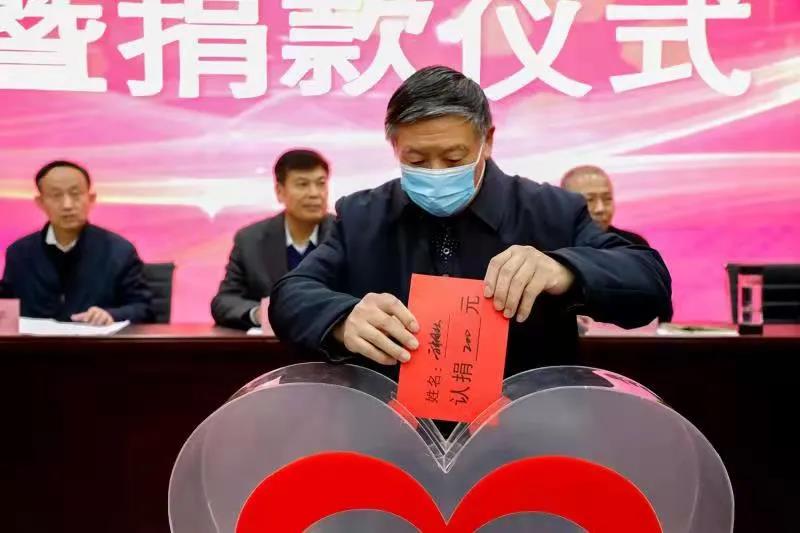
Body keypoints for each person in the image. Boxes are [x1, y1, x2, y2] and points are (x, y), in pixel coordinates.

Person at [269, 66, 672, 378]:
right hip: (392, 436)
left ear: (487, 141)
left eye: (454, 158)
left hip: (527, 435)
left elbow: (649, 281)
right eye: (416, 160)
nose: (436, 172)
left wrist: (565, 269)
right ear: (395, 147)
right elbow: (290, 295)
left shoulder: (551, 211)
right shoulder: (363, 216)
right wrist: (343, 318)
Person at [0, 161, 152, 325]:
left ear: (91, 199)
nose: (67, 205)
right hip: (35, 341)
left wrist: (111, 315)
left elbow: (143, 308)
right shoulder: (19, 253)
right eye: (56, 195)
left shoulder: (119, 251)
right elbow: (5, 308)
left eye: (75, 194)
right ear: (40, 202)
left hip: (94, 341)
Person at [211, 149, 335, 330]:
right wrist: (259, 314)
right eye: (302, 184)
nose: (314, 193)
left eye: (321, 183)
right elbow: (225, 301)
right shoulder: (250, 241)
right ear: (279, 191)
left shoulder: (346, 234)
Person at [561, 165, 649, 246]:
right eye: (590, 200)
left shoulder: (632, 245)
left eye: (607, 199)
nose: (600, 209)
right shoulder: (555, 248)